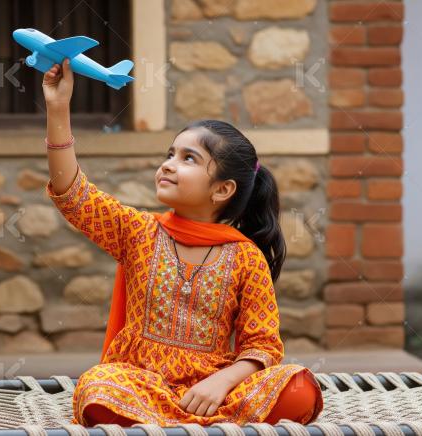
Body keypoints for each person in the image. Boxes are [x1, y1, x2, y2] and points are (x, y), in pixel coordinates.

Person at [42, 58, 323, 426]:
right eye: (169, 155)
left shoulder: (245, 258)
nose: (169, 165)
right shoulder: (138, 231)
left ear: (222, 189)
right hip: (143, 383)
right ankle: (202, 428)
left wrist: (221, 382)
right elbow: (73, 195)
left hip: (213, 391)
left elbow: (262, 345)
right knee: (98, 387)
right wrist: (58, 107)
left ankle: (177, 425)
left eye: (188, 158)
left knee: (299, 385)